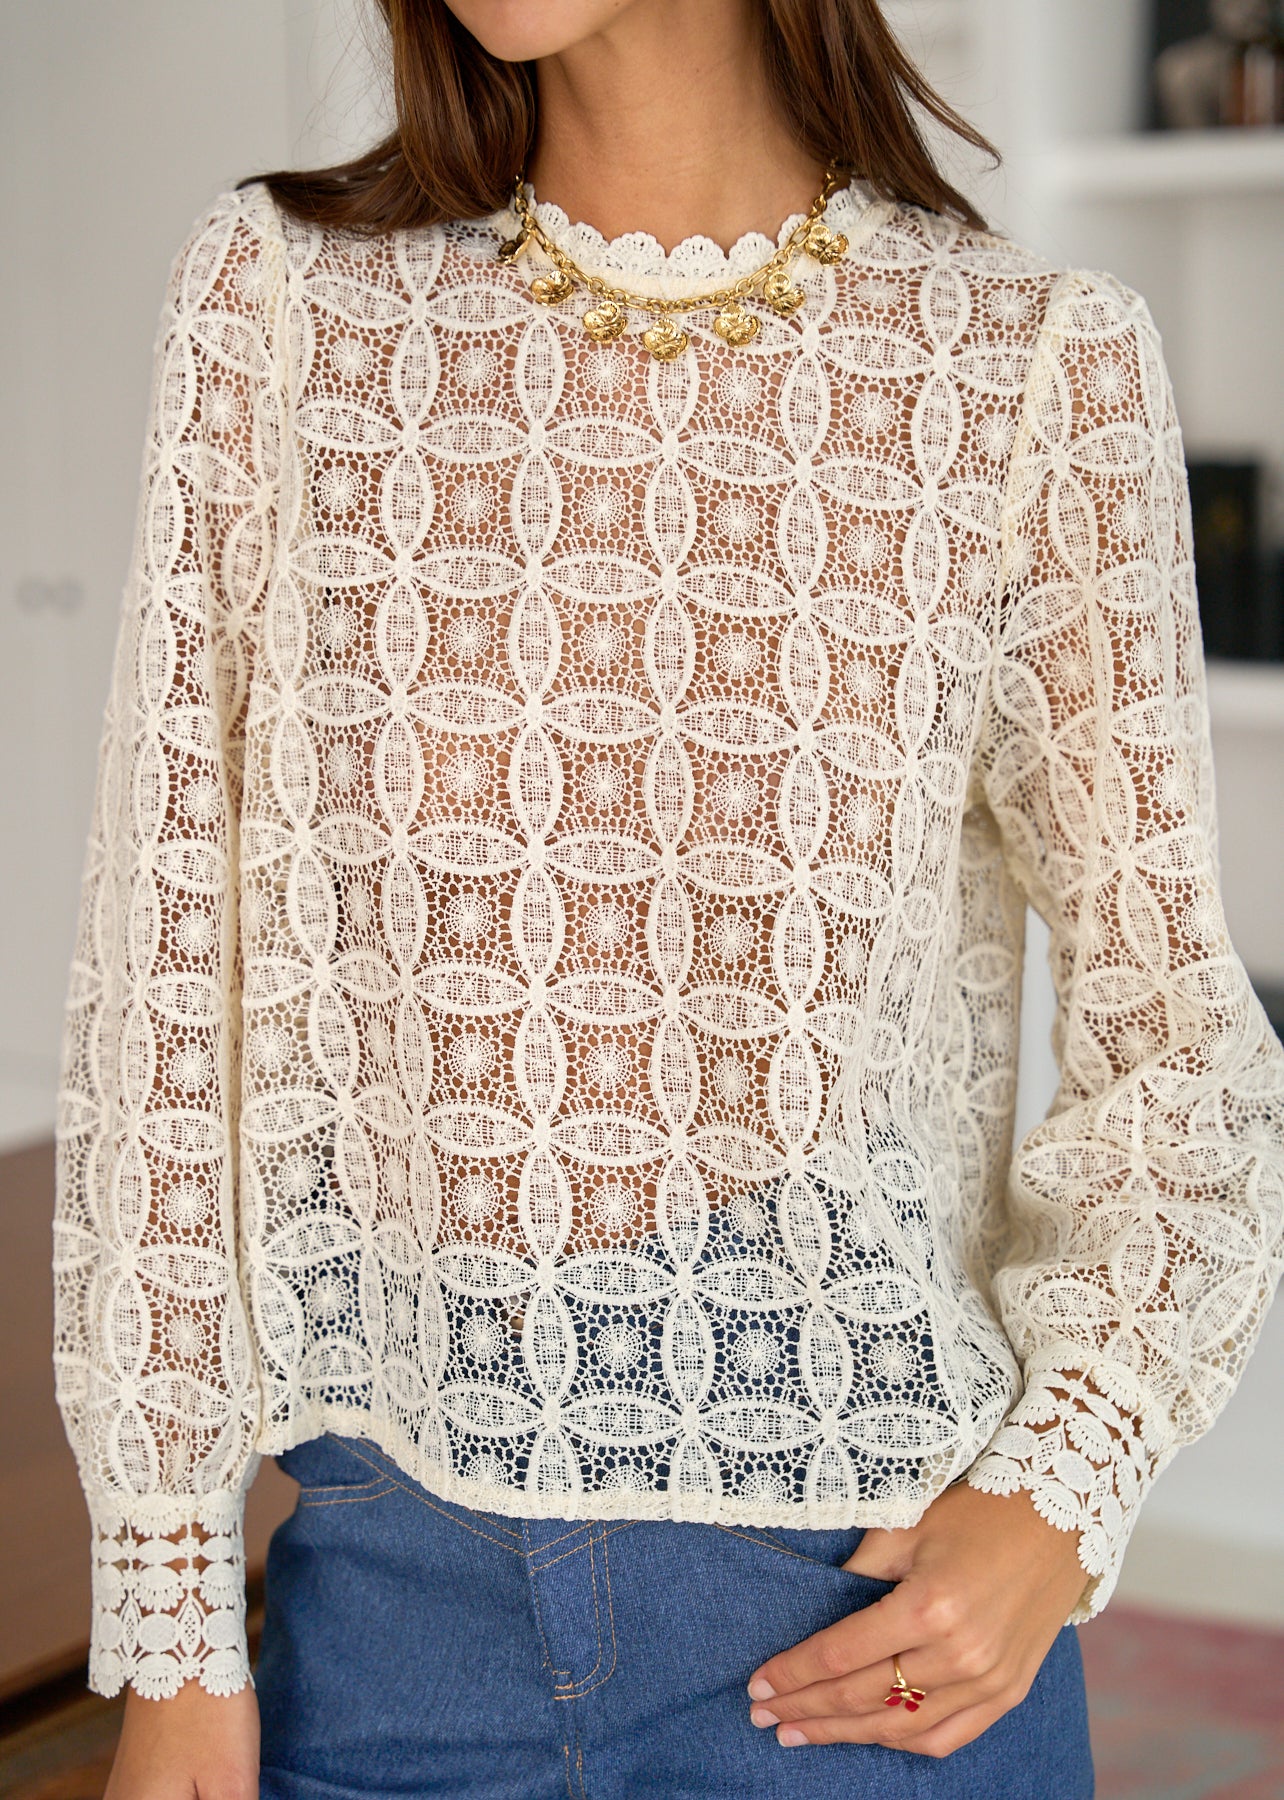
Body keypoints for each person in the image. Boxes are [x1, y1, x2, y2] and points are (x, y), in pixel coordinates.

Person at [52, 1, 1284, 1795]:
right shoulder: (286, 306)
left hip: (859, 1620)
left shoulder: (1028, 365)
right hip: (389, 1623)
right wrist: (169, 1610)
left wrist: (1062, 1492)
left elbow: (1178, 1046)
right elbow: (166, 987)